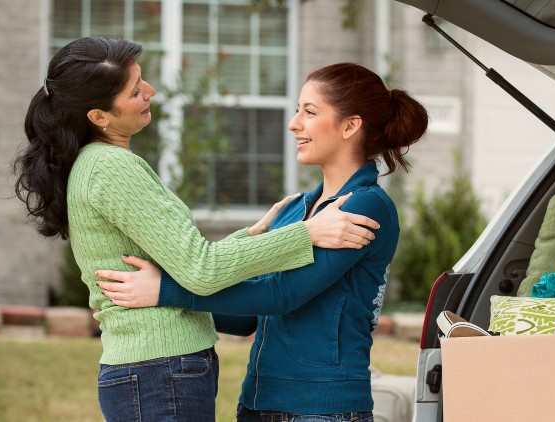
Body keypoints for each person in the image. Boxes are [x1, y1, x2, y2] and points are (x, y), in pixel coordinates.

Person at [13, 38, 379, 422]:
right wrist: (307, 234)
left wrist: (253, 236)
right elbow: (201, 270)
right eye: (135, 91)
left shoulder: (96, 164)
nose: (151, 92)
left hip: (153, 371)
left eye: (143, 80)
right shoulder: (111, 167)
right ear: (99, 116)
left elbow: (185, 258)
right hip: (160, 370)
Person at [96, 62, 429, 421]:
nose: (294, 123)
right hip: (257, 403)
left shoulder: (366, 206)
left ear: (350, 126)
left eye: (309, 111)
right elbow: (249, 319)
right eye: (298, 110)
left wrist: (166, 290)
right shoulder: (295, 208)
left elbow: (281, 295)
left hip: (322, 409)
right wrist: (156, 300)